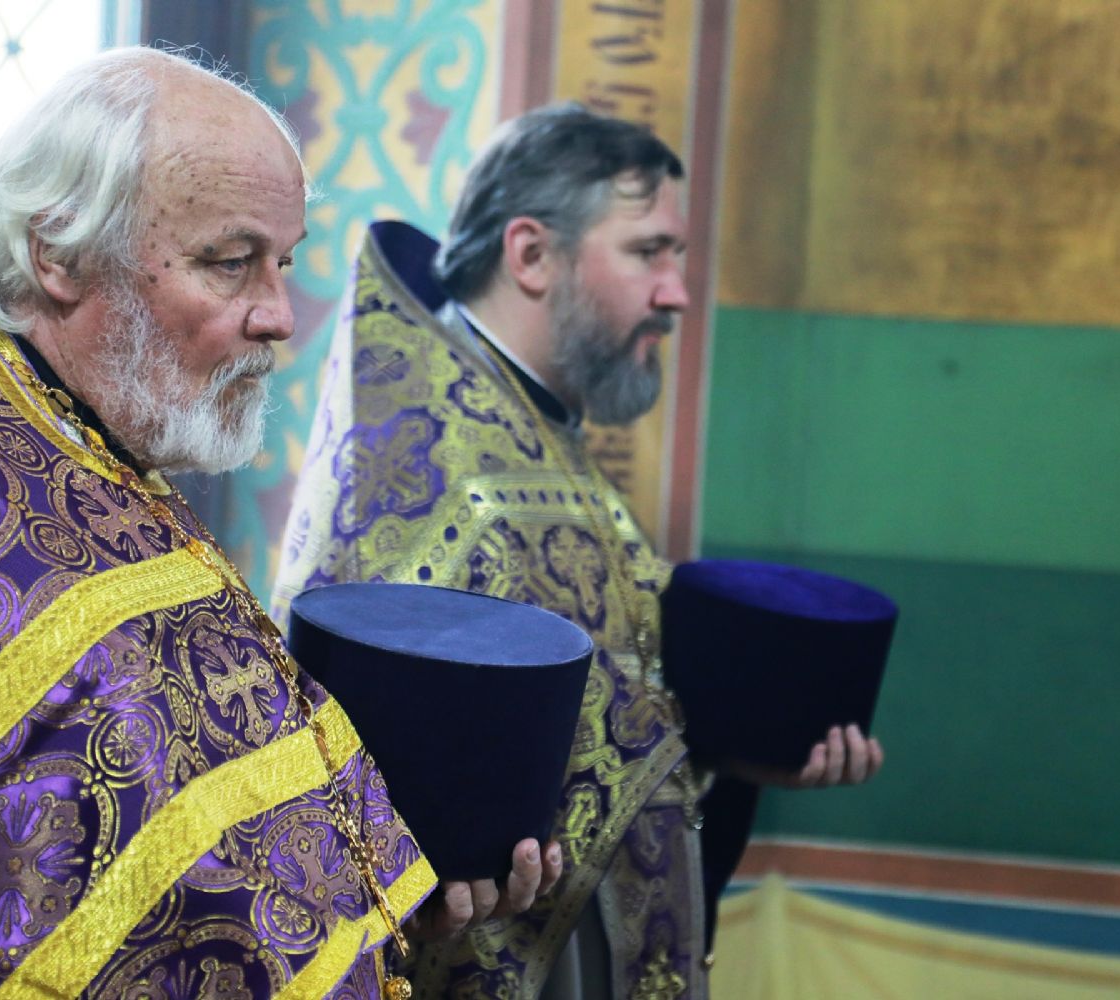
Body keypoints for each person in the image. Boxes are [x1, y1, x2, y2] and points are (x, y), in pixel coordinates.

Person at [0, 47, 552, 998]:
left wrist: (379, 903)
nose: (279, 315)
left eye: (283, 263)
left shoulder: (81, 453)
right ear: (57, 253)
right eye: (230, 263)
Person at [272, 103, 884, 999]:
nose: (676, 293)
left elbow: (619, 709)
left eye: (676, 256)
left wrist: (741, 748)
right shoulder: (433, 462)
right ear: (530, 254)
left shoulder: (537, 429)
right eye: (649, 252)